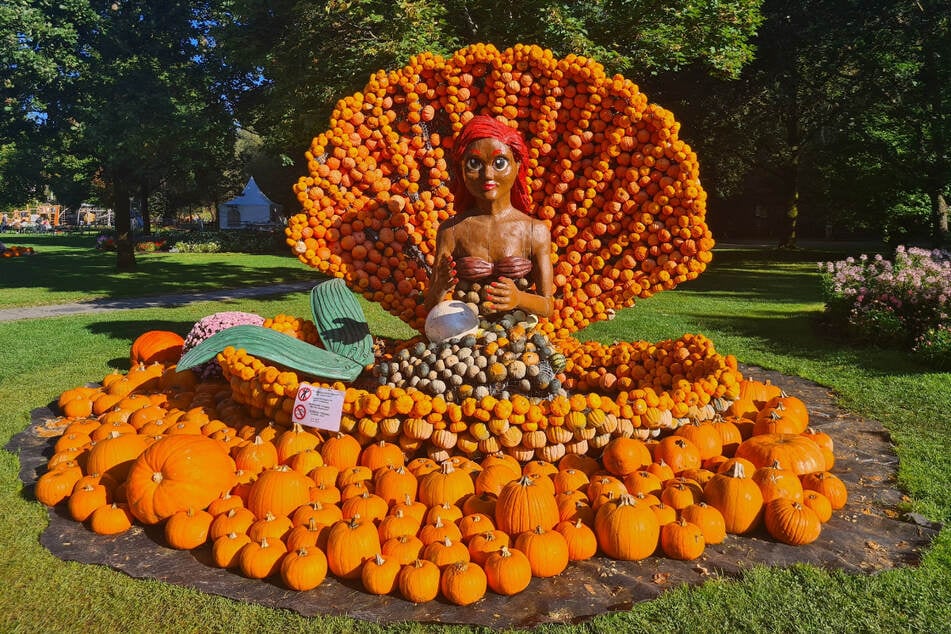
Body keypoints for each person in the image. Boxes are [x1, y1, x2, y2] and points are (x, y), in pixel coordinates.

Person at [423, 116, 554, 320]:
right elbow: (430, 306)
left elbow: (547, 305)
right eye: (474, 163)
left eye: (499, 163)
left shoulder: (534, 231)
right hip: (462, 338)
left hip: (518, 337)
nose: (488, 175)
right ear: (461, 171)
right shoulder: (451, 230)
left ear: (517, 165)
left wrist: (519, 298)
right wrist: (440, 287)